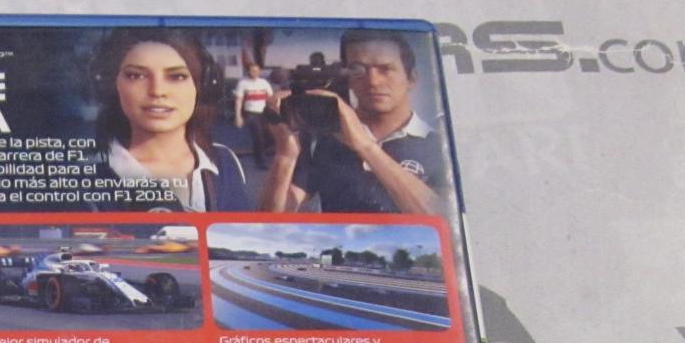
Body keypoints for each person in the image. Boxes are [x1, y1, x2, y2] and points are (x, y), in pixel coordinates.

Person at [259, 30, 444, 216]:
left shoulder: (438, 145)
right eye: (358, 70)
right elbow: (272, 220)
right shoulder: (323, 138)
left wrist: (365, 147)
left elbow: (444, 219)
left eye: (386, 69)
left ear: (411, 79)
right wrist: (285, 155)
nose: (373, 81)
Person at [90, 28, 251, 212]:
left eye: (177, 76)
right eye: (136, 75)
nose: (157, 91)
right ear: (111, 85)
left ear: (203, 86)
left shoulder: (224, 160)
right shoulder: (87, 178)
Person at [231, 61, 275, 168]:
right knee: (258, 137)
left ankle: (260, 152)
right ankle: (260, 162)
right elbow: (239, 101)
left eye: (256, 71)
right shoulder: (243, 83)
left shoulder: (264, 83)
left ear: (259, 71)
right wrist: (238, 116)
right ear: (248, 71)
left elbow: (271, 98)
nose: (254, 73)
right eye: (252, 71)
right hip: (251, 114)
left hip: (264, 113)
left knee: (270, 137)